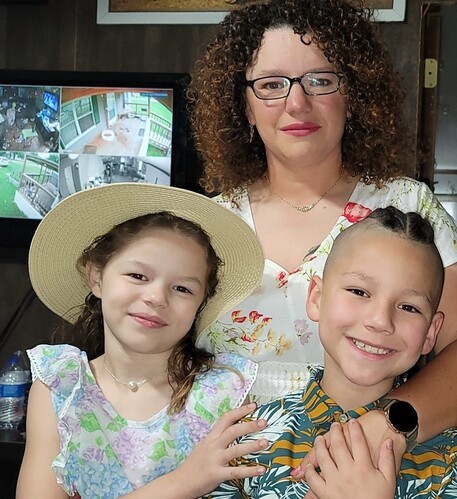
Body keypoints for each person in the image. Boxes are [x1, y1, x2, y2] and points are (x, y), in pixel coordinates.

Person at [188, 0, 457, 462]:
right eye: (271, 85)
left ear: (353, 95)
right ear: (245, 109)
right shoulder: (202, 226)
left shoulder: (408, 206)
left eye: (320, 80)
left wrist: (384, 428)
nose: (297, 103)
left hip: (370, 468)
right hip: (221, 475)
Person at [208, 207, 457, 498]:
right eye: (359, 292)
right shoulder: (248, 440)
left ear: (430, 333)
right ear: (317, 298)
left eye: (409, 307)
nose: (380, 320)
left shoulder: (448, 457)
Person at [17, 183, 269, 499]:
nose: (156, 297)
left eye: (183, 289)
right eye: (138, 276)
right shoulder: (61, 386)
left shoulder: (225, 390)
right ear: (96, 276)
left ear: (201, 303)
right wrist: (183, 482)